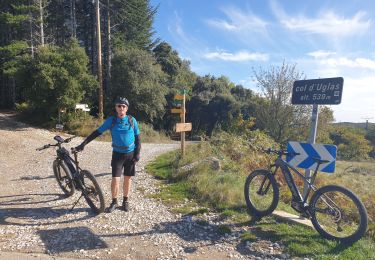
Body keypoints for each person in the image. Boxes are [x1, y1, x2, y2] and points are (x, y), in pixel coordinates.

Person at [74, 96, 141, 213]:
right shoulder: (111, 120)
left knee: (127, 178)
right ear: (116, 108)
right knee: (115, 179)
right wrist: (83, 144)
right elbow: (97, 132)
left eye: (123, 106)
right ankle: (114, 202)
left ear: (127, 109)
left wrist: (137, 154)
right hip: (117, 154)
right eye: (119, 106)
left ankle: (125, 201)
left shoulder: (132, 120)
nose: (121, 108)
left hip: (130, 154)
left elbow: (138, 138)